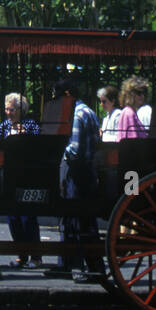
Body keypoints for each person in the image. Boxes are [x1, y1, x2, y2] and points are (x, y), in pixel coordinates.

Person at [53, 77, 102, 282]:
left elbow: (73, 151)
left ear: (67, 95)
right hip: (88, 172)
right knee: (83, 221)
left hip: (78, 173)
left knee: (75, 220)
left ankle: (86, 267)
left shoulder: (77, 114)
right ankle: (81, 265)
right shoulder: (89, 112)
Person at [0, 92, 41, 268]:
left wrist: (26, 136)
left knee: (27, 216)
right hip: (8, 175)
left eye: (12, 109)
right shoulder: (4, 126)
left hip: (26, 175)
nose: (9, 113)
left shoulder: (30, 125)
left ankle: (36, 256)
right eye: (6, 109)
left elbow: (39, 145)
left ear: (21, 110)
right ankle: (21, 254)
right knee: (12, 217)